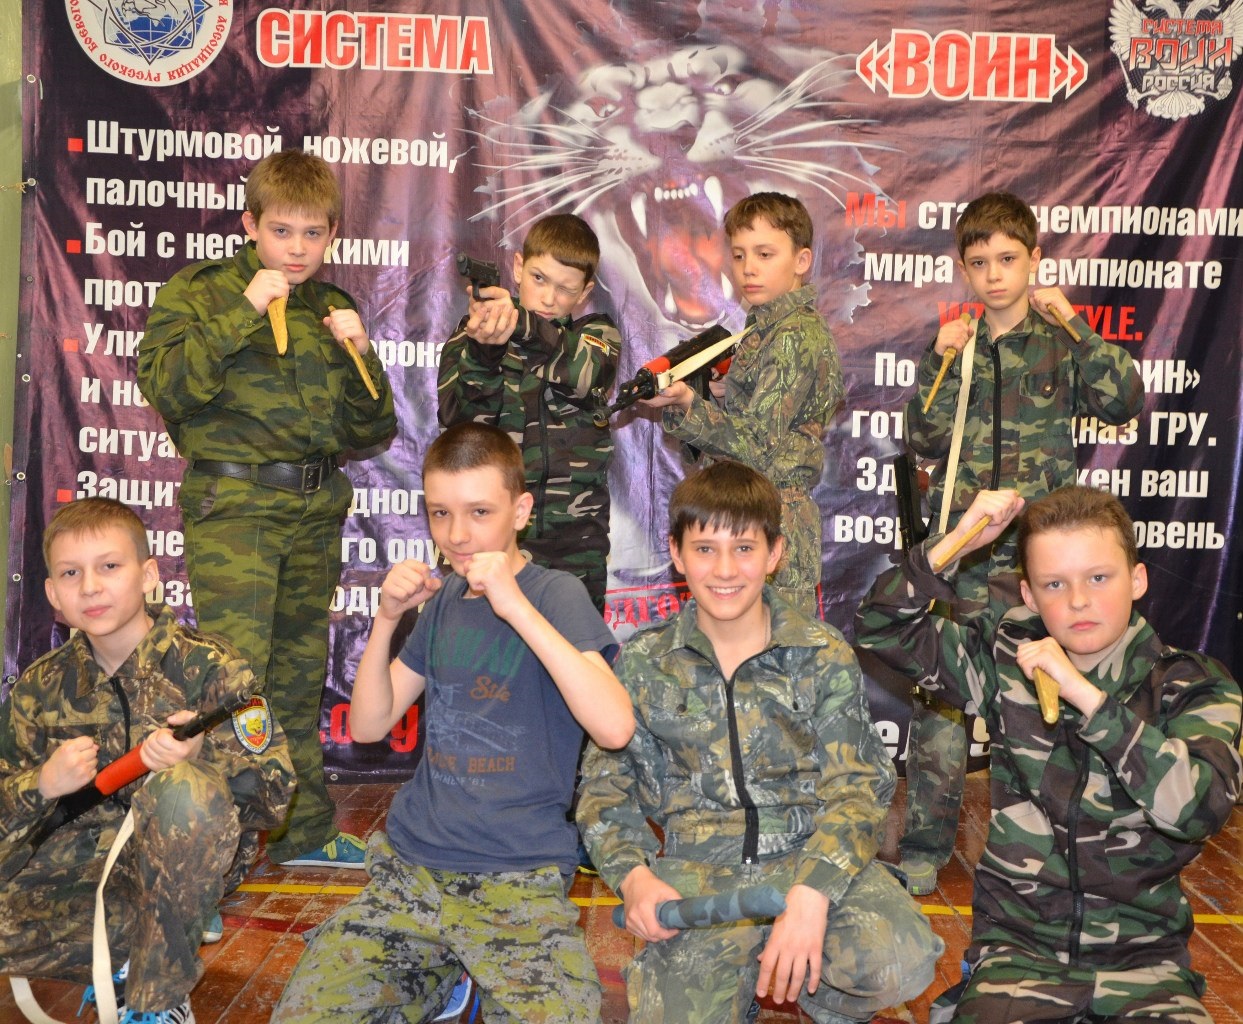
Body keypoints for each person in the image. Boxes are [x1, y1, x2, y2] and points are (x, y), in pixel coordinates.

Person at [271, 422, 635, 1024]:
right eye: (440, 513)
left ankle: (457, 969)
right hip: (413, 868)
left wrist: (514, 605)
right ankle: (446, 973)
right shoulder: (442, 601)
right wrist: (388, 618)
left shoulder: (555, 593)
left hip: (517, 875)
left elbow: (615, 727)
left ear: (521, 512)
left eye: (479, 512)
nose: (457, 535)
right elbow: (368, 725)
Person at [856, 485, 1241, 1023]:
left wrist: (1088, 699)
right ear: (1029, 596)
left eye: (1098, 578)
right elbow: (880, 627)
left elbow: (1197, 810)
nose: (1078, 600)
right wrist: (957, 543)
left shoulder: (1192, 685)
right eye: (1054, 583)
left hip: (1145, 966)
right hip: (1018, 956)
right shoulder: (1004, 662)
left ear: (1137, 579)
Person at [577, 461, 942, 1024]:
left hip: (807, 852)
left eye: (744, 548)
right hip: (701, 881)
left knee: (899, 958)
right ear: (676, 554)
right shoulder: (646, 664)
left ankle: (809, 986)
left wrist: (813, 891)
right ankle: (740, 982)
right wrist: (634, 877)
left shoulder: (820, 654)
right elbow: (604, 791)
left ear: (775, 553)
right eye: (705, 549)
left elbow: (857, 787)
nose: (725, 569)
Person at [138, 149, 397, 869]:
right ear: (250, 225)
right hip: (238, 510)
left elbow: (373, 430)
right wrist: (243, 311)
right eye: (281, 231)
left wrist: (363, 355)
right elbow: (168, 388)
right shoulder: (203, 292)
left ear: (332, 234)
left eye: (312, 234)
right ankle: (207, 860)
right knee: (232, 681)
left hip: (313, 510)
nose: (297, 249)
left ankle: (301, 829)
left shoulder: (328, 307)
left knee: (296, 678)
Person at [895, 191, 1144, 896]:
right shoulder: (960, 345)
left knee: (1042, 701)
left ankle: (1048, 846)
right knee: (942, 702)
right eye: (979, 263)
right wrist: (936, 361)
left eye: (1007, 259)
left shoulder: (1058, 340)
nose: (994, 275)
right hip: (966, 552)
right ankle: (924, 848)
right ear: (963, 268)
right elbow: (922, 440)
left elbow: (1123, 402)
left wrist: (1076, 327)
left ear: (1035, 259)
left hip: (1042, 562)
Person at [0, 498, 294, 1023]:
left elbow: (274, 795)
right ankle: (127, 954)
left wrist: (204, 756)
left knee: (184, 789)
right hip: (76, 874)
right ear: (53, 594)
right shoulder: (39, 686)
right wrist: (41, 784)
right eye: (71, 573)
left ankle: (157, 997)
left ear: (149, 575)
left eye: (110, 566)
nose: (91, 587)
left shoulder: (212, 667)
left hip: (174, 875)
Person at [640, 191, 843, 614]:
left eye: (765, 254)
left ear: (802, 261)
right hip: (754, 512)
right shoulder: (767, 328)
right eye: (738, 255)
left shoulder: (793, 333)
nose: (749, 267)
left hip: (775, 519)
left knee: (778, 646)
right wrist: (719, 396)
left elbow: (755, 444)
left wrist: (689, 405)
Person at [438, 213, 621, 612]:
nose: (549, 298)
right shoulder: (472, 335)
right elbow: (459, 423)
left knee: (573, 650)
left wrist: (520, 324)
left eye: (565, 288)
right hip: (487, 541)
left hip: (574, 550)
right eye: (539, 278)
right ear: (518, 267)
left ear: (586, 291)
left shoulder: (596, 336)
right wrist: (484, 354)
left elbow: (587, 373)